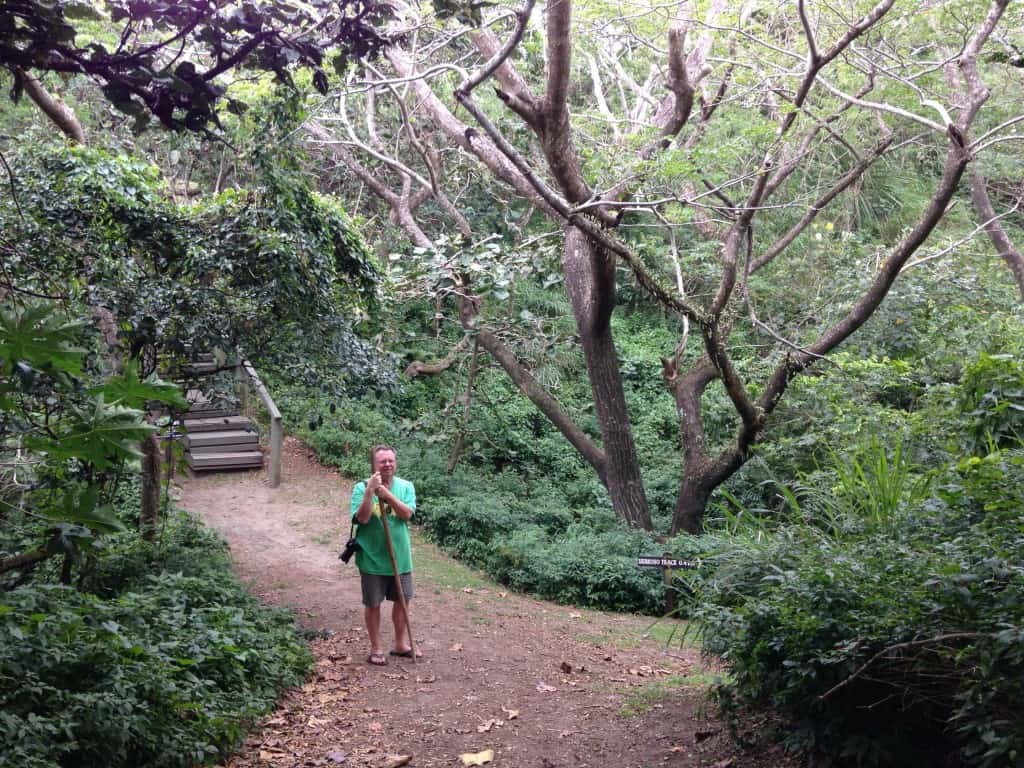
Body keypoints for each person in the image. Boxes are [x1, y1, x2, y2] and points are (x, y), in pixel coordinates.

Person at [349, 444, 420, 666]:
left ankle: (400, 644)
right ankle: (376, 647)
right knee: (373, 603)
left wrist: (387, 495)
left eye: (390, 460)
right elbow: (362, 518)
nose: (387, 464)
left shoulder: (406, 486)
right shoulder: (361, 487)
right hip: (372, 558)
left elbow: (407, 514)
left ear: (395, 462)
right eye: (382, 461)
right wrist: (371, 491)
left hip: (400, 558)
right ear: (374, 464)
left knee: (402, 600)